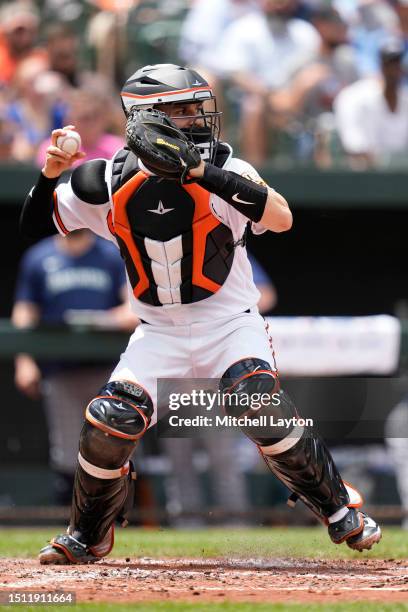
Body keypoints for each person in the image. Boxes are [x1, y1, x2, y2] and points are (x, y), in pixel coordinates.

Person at [19, 63, 381, 564]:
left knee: (257, 403)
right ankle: (86, 533)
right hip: (158, 330)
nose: (197, 119)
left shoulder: (227, 167)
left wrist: (198, 172)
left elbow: (281, 218)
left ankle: (340, 506)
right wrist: (51, 172)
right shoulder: (103, 179)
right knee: (109, 422)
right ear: (147, 120)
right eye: (183, 111)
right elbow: (37, 223)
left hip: (229, 322)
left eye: (196, 108)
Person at [12, 229, 138, 504]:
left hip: (109, 370)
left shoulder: (110, 254)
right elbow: (25, 311)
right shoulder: (39, 257)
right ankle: (73, 525)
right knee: (68, 452)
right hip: (61, 369)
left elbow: (134, 308)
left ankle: (120, 523)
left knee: (116, 447)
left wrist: (98, 321)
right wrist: (24, 360)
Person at [334, 37, 408, 169]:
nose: (394, 70)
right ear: (381, 65)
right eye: (389, 64)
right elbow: (356, 151)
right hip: (364, 182)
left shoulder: (405, 99)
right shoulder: (354, 98)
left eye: (398, 64)